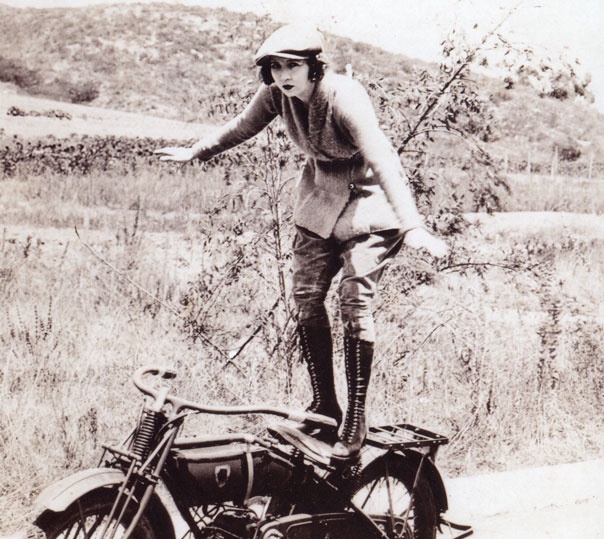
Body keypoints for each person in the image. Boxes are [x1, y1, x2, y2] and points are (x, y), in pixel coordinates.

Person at [157, 24, 447, 461]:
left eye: (293, 66)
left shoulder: (344, 96)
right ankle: (325, 407)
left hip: (370, 207)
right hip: (318, 204)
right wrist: (197, 151)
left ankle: (356, 416)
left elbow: (383, 159)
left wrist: (412, 226)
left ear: (314, 66)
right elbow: (241, 126)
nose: (283, 75)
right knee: (306, 298)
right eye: (275, 67)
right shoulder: (277, 95)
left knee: (355, 303)